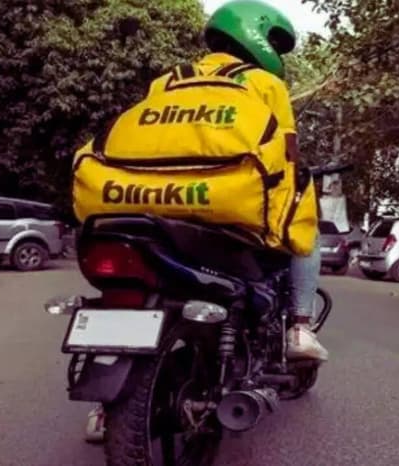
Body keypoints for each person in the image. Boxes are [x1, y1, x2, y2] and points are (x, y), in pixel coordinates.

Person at [83, 0, 327, 443]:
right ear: (257, 36)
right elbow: (288, 158)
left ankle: (103, 409)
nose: (277, 53)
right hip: (228, 209)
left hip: (147, 208)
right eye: (276, 43)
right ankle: (298, 327)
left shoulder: (166, 81)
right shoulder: (264, 83)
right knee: (307, 229)